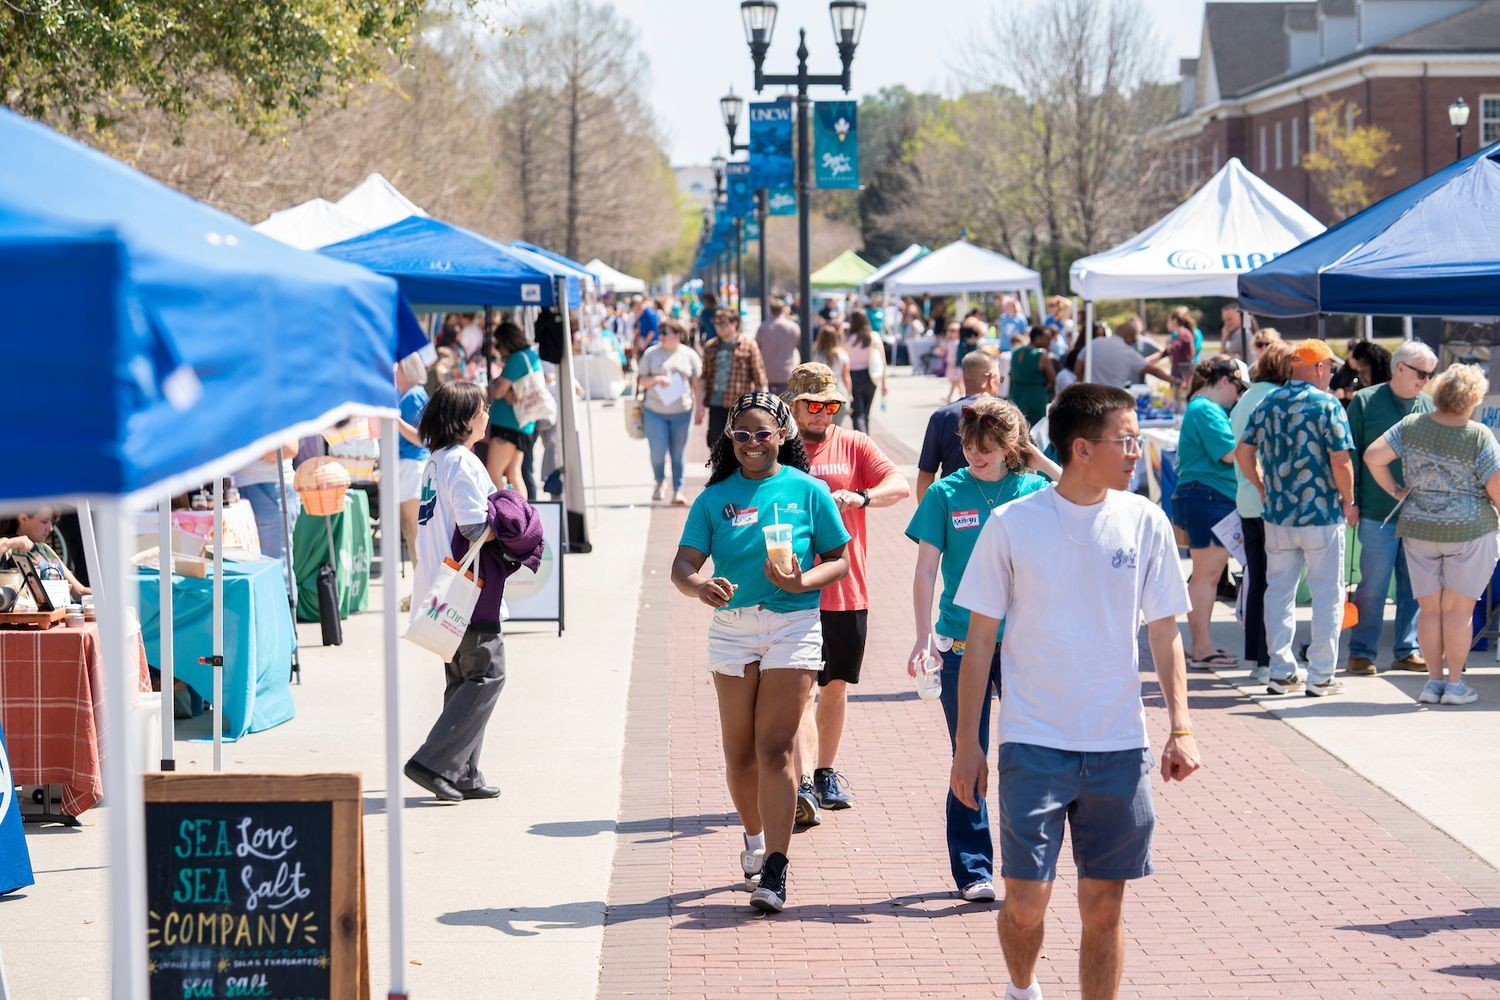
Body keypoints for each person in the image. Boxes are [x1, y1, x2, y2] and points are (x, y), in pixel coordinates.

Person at [949, 383, 1198, 1000]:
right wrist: (966, 746)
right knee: (1028, 901)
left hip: (1118, 744)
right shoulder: (1013, 525)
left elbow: (1165, 631)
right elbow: (980, 642)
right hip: (1034, 740)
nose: (1138, 451)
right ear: (1082, 448)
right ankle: (1022, 987)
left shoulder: (1145, 521)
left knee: (1104, 908)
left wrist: (1181, 726)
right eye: (1127, 440)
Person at [670, 392, 850, 913]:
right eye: (743, 434)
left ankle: (775, 866)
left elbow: (838, 558)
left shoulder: (808, 490)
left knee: (775, 749)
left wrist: (802, 581)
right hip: (731, 629)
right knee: (741, 756)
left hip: (794, 625)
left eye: (764, 433)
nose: (753, 443)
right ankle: (753, 840)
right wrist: (699, 587)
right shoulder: (713, 500)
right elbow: (682, 566)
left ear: (783, 435)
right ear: (730, 438)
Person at [907, 398, 1049, 902]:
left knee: (1029, 756)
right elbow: (926, 570)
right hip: (962, 642)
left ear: (1012, 447)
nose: (974, 455)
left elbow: (1089, 495)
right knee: (969, 753)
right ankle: (974, 870)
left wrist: (1037, 455)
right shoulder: (946, 493)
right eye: (967, 446)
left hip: (1024, 646)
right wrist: (923, 636)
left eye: (987, 448)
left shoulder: (1035, 490)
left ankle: (1027, 860)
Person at [785, 364, 909, 826]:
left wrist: (862, 497)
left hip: (845, 589)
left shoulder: (854, 443)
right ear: (794, 405)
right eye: (812, 405)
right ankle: (799, 784)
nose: (822, 414)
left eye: (830, 405)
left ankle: (823, 772)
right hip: (792, 591)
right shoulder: (778, 447)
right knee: (797, 691)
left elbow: (897, 485)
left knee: (834, 687)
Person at [1365, 364, 1500, 707]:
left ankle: (1433, 682)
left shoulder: (1412, 425)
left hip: (1419, 528)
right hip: (1469, 530)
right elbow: (1496, 484)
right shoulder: (1478, 434)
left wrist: (1396, 490)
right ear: (1473, 398)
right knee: (1458, 612)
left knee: (1429, 611)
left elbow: (1373, 456)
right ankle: (1455, 685)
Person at [405, 382, 508, 802]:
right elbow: (473, 527)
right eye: (483, 408)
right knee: (488, 673)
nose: (487, 414)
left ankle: (463, 771)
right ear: (468, 418)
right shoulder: (463, 462)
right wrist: (512, 520)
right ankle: (434, 761)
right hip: (468, 590)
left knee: (462, 677)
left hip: (440, 585)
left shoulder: (435, 461)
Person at [1236, 339, 1356, 698]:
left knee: (1279, 593)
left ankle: (1281, 670)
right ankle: (1320, 675)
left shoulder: (1268, 401)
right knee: (1326, 595)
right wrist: (1349, 499)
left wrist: (1261, 487)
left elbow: (1243, 451)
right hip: (1320, 513)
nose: (1331, 373)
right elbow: (1341, 460)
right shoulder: (1327, 404)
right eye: (1330, 368)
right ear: (1319, 367)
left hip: (1277, 515)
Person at [1343, 340, 1436, 676]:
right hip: (1375, 512)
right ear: (1400, 368)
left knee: (1415, 586)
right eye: (1422, 373)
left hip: (1419, 513)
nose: (1426, 380)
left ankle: (1407, 649)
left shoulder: (1427, 404)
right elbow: (1349, 453)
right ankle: (1362, 651)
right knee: (1373, 585)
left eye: (1430, 375)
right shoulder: (1366, 401)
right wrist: (1350, 500)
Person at [1172, 358, 1248, 669]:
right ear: (1225, 380)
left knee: (1207, 575)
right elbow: (1230, 453)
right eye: (1239, 387)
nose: (1239, 395)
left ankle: (1201, 646)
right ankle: (1201, 647)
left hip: (1207, 496)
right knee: (1207, 575)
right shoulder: (1204, 409)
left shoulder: (1203, 408)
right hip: (1207, 496)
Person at [1230, 338, 1295, 684]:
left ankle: (1259, 657)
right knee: (1275, 583)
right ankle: (1267, 658)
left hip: (1247, 500)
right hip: (1268, 499)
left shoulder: (1246, 399)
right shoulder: (1274, 399)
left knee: (1260, 581)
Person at [919, 352, 1003, 500]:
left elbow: (926, 473)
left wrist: (928, 516)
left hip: (954, 504)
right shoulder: (1008, 414)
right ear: (990, 379)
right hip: (1000, 504)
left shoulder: (942, 416)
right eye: (999, 378)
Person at [637, 319, 703, 505]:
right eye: (661, 332)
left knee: (678, 453)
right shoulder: (651, 354)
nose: (663, 336)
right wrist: (656, 380)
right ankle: (659, 482)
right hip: (655, 410)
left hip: (682, 411)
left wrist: (700, 407)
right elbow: (641, 380)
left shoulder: (689, 355)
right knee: (657, 451)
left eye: (667, 332)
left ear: (678, 334)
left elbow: (697, 383)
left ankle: (678, 490)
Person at [696, 308, 768, 449]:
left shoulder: (748, 345)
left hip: (740, 406)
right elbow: (704, 378)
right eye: (716, 324)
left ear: (734, 323)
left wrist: (764, 407)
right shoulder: (711, 346)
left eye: (723, 324)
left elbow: (759, 377)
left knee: (740, 445)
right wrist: (699, 405)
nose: (719, 328)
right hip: (716, 405)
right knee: (716, 446)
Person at [485, 321, 541, 499]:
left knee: (493, 474)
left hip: (508, 426)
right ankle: (523, 517)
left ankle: (507, 515)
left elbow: (498, 391)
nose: (498, 349)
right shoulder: (528, 355)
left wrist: (493, 386)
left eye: (498, 345)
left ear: (506, 342)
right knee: (514, 474)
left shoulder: (517, 358)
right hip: (521, 425)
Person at [2, 508, 89, 599]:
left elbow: (80, 591)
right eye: (44, 521)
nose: (50, 528)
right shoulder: (7, 548)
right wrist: (8, 543)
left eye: (52, 522)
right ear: (23, 518)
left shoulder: (45, 549)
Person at [396, 353, 431, 576]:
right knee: (412, 531)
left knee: (414, 532)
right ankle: (421, 587)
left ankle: (422, 587)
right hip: (410, 466)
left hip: (412, 466)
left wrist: (394, 420)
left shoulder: (412, 396)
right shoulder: (412, 395)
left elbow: (422, 437)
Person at [234, 444, 299, 560]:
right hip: (234, 491)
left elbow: (289, 448)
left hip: (270, 489)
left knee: (275, 568)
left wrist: (241, 449)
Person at [1082, 317, 1174, 389]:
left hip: (1092, 391)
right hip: (1113, 394)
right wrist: (1175, 381)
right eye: (1133, 339)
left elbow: (1079, 364)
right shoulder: (1127, 351)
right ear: (1128, 336)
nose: (1133, 342)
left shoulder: (1096, 342)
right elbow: (1154, 371)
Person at [845, 310, 887, 433]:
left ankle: (862, 441)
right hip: (871, 376)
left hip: (853, 376)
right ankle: (866, 441)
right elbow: (883, 361)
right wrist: (884, 382)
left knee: (857, 413)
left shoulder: (848, 338)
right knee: (866, 413)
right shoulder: (873, 336)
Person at [1008, 326, 1054, 428]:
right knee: (1034, 432)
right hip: (1035, 397)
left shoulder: (1015, 353)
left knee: (1015, 430)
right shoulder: (1041, 355)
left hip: (1015, 395)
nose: (1049, 342)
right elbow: (1052, 378)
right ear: (1037, 338)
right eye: (1047, 338)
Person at [755, 299, 802, 396]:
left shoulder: (763, 328)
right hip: (787, 373)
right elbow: (801, 349)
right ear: (784, 310)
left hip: (767, 373)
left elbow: (755, 350)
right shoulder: (793, 327)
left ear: (770, 310)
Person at [812, 324, 853, 424]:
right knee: (837, 426)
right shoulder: (842, 354)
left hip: (820, 391)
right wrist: (849, 393)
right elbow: (846, 377)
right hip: (838, 391)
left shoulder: (816, 354)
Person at [631, 295, 661, 359]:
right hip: (644, 344)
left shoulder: (649, 313)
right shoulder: (641, 315)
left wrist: (645, 343)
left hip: (651, 344)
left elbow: (653, 330)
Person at [941, 321, 964, 402]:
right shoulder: (949, 342)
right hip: (951, 364)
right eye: (950, 330)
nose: (951, 332)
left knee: (956, 381)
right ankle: (962, 395)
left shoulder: (959, 343)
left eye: (953, 330)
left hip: (956, 364)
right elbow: (943, 350)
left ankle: (951, 396)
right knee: (957, 382)